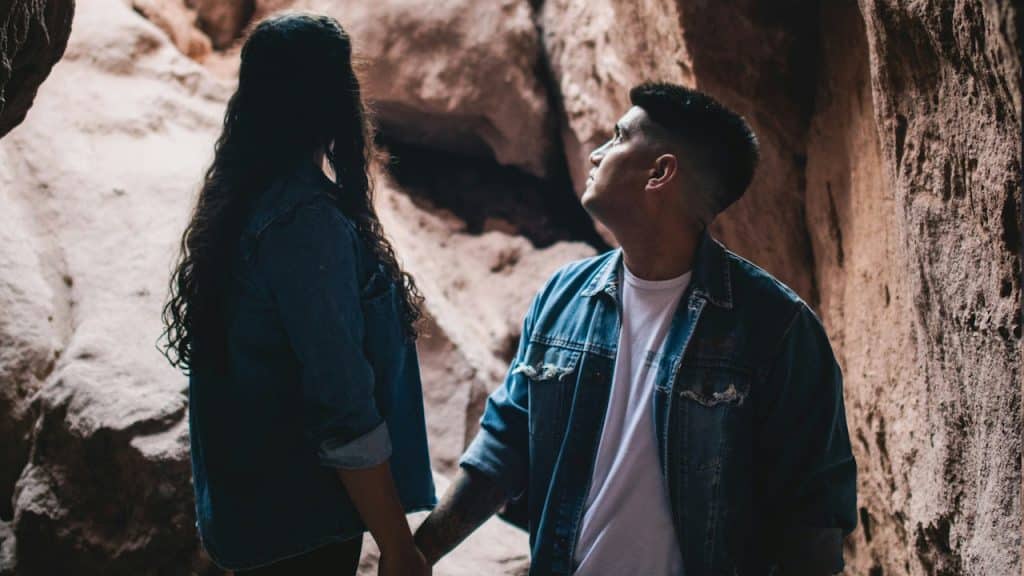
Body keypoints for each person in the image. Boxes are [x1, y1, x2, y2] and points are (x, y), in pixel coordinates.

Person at [413, 82, 857, 575]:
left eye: (619, 137)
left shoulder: (778, 329)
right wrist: (419, 552)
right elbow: (505, 445)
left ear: (660, 172)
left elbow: (812, 523)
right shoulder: (564, 296)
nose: (598, 154)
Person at [160, 12, 433, 576]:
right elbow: (343, 404)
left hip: (260, 524)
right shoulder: (304, 224)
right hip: (301, 532)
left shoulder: (246, 204)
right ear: (338, 100)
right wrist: (399, 547)